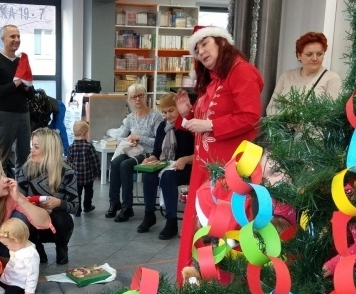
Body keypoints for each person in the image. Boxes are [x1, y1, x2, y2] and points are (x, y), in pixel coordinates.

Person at [174, 25, 264, 278]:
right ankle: (199, 285)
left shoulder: (241, 71)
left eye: (205, 43)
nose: (201, 51)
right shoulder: (213, 80)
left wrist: (210, 124)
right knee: (203, 225)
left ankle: (221, 289)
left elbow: (250, 117)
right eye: (196, 48)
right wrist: (187, 115)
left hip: (229, 168)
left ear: (222, 42)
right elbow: (205, 128)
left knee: (223, 227)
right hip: (206, 167)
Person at [17, 128, 79, 265]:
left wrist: (58, 203)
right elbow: (19, 199)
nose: (31, 150)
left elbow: (75, 207)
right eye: (32, 145)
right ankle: (38, 249)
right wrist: (31, 205)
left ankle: (61, 247)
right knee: (20, 220)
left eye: (36, 147)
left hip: (57, 218)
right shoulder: (26, 169)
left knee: (63, 220)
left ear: (49, 149)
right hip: (33, 217)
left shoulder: (66, 171)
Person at [137, 93, 194, 239]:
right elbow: (157, 151)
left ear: (179, 109)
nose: (167, 115)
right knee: (149, 175)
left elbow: (200, 154)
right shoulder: (162, 126)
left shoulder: (189, 125)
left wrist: (185, 159)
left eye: (171, 111)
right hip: (167, 164)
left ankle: (171, 222)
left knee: (168, 177)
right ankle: (149, 215)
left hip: (187, 166)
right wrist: (151, 159)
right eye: (164, 112)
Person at [106, 83, 163, 222]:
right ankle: (114, 202)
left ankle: (127, 207)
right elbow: (120, 137)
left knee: (125, 165)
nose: (137, 99)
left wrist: (139, 137)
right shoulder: (130, 118)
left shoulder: (156, 117)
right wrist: (128, 140)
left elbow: (159, 142)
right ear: (129, 100)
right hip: (133, 150)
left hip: (150, 153)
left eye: (140, 96)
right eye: (133, 97)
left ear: (146, 97)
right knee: (115, 162)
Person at [0, 24, 35, 176]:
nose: (17, 39)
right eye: (12, 36)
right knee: (0, 158)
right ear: (2, 39)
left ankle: (21, 194)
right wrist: (17, 82)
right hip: (5, 116)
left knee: (25, 158)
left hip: (24, 115)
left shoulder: (21, 62)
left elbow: (31, 93)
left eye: (18, 36)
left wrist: (26, 86)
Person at [266, 32, 342, 116]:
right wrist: (289, 116)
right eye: (309, 54)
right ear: (299, 56)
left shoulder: (332, 78)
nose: (315, 58)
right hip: (284, 128)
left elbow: (332, 113)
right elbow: (271, 108)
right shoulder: (286, 76)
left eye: (319, 54)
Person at [0, 218, 40, 294]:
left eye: (7, 245)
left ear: (17, 241)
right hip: (9, 278)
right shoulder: (16, 246)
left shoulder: (30, 255)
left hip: (20, 283)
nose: (6, 247)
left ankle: (23, 293)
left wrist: (29, 291)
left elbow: (33, 274)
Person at [66, 120, 99, 216]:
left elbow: (69, 163)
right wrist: (96, 173)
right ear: (85, 133)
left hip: (75, 177)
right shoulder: (89, 146)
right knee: (89, 191)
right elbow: (94, 161)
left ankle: (77, 210)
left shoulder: (71, 147)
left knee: (77, 193)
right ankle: (87, 206)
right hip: (88, 176)